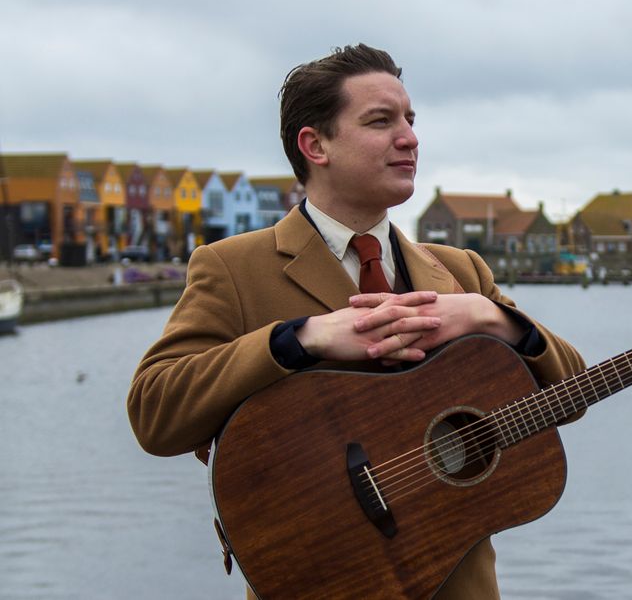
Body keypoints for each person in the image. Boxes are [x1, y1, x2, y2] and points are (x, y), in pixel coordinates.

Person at [127, 43, 585, 599]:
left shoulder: (462, 271)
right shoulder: (232, 268)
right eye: (380, 121)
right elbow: (154, 414)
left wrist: (496, 319)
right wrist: (298, 339)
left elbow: (571, 394)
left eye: (411, 120)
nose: (410, 138)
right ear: (315, 145)